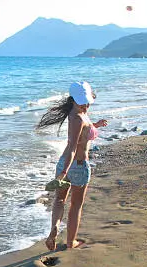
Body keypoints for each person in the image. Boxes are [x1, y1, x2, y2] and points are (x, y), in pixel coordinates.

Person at [36, 81, 108, 251]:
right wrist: (64, 172)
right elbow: (73, 147)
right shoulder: (78, 117)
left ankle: (54, 229)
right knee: (75, 206)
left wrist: (95, 125)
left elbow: (83, 131)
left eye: (86, 100)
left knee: (60, 200)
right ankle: (71, 242)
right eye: (82, 101)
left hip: (64, 163)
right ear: (74, 99)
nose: (85, 104)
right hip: (77, 166)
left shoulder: (77, 112)